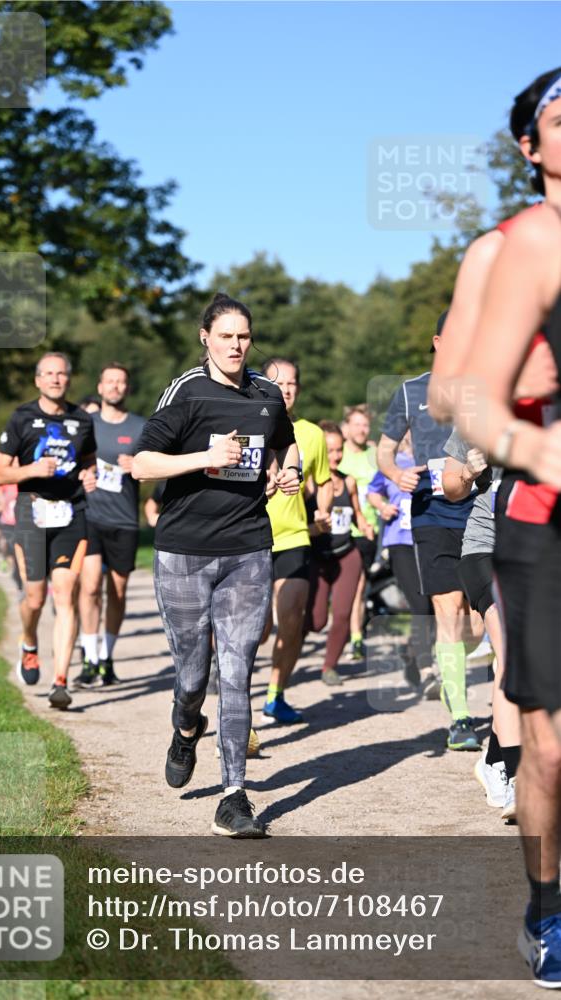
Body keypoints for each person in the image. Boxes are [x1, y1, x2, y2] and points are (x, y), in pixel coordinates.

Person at [451, 69, 561, 988]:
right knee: (552, 748)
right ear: (528, 147)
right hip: (540, 514)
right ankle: (545, 902)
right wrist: (532, 440)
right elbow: (460, 389)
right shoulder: (511, 248)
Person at [132, 292, 299, 837]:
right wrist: (206, 457)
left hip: (248, 547)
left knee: (238, 668)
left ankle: (234, 796)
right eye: (225, 335)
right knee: (192, 672)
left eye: (244, 336)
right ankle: (186, 726)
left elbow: (284, 446)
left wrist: (286, 472)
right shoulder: (186, 391)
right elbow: (142, 463)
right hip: (183, 549)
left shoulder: (268, 393)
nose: (235, 344)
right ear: (205, 338)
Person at [377, 314, 485, 751]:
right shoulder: (410, 391)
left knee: (475, 623)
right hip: (431, 513)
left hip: (480, 512)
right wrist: (395, 474)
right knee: (448, 608)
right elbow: (386, 451)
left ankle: (451, 672)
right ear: (438, 341)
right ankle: (460, 717)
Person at [0, 352, 97, 710]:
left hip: (72, 513)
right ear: (38, 380)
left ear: (69, 379)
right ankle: (29, 643)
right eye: (48, 374)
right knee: (35, 598)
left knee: (65, 593)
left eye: (62, 374)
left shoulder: (82, 419)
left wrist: (89, 474)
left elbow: (88, 460)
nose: (55, 379)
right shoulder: (21, 417)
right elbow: (2, 472)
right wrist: (33, 469)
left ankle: (60, 681)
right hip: (31, 512)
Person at [442, 434, 520, 821]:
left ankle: (495, 759)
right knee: (512, 654)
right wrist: (471, 472)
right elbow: (450, 487)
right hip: (486, 551)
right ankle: (522, 780)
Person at [259, 358, 332, 724]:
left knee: (291, 619)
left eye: (292, 383)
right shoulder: (250, 423)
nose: (285, 389)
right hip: (251, 539)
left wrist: (322, 508)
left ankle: (275, 695)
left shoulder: (313, 434)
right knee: (258, 630)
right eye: (278, 383)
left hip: (295, 537)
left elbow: (325, 479)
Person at [77, 363, 146, 687]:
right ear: (100, 387)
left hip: (125, 519)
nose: (115, 386)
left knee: (117, 592)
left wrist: (139, 466)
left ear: (126, 389)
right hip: (90, 516)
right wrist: (82, 475)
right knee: (90, 586)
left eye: (121, 382)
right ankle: (89, 658)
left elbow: (156, 467)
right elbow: (68, 463)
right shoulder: (85, 424)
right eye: (110, 381)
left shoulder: (139, 427)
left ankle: (107, 657)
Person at [367, 432, 436, 691]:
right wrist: (382, 507)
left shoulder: (435, 461)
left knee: (433, 605)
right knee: (419, 603)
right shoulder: (392, 462)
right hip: (400, 541)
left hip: (429, 540)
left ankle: (410, 652)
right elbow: (373, 492)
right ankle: (427, 668)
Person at [305, 421, 367, 685]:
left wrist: (364, 525)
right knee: (317, 621)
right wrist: (315, 528)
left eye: (339, 450)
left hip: (346, 555)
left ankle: (330, 666)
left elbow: (358, 516)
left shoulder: (349, 483)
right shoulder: (307, 486)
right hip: (317, 558)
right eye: (329, 451)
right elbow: (297, 526)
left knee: (342, 614)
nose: (335, 456)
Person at [338, 406, 378, 659]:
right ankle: (346, 632)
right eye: (357, 424)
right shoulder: (336, 453)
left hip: (367, 529)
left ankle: (356, 637)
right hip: (340, 528)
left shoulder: (375, 454)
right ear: (346, 427)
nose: (362, 430)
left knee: (360, 584)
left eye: (365, 425)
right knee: (347, 585)